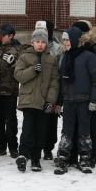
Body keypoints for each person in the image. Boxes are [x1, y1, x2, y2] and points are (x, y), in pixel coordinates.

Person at [55, 26, 96, 175]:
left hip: (84, 101)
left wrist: (94, 100)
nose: (65, 42)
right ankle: (63, 157)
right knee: (67, 131)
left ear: (76, 40)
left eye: (67, 39)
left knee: (84, 131)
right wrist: (59, 102)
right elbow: (61, 82)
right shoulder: (66, 57)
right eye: (64, 40)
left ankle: (85, 158)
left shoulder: (89, 57)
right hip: (69, 101)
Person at [14, 28, 60, 172]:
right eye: (37, 42)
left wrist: (50, 101)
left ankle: (35, 158)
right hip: (28, 101)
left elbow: (54, 82)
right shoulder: (24, 57)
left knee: (41, 131)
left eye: (43, 42)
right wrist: (33, 70)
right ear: (32, 42)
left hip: (43, 102)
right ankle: (23, 154)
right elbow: (18, 75)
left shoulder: (51, 60)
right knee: (27, 129)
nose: (40, 45)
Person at [69, 20, 96, 168]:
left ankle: (95, 153)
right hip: (95, 90)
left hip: (95, 91)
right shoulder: (93, 43)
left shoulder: (92, 45)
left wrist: (95, 88)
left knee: (94, 123)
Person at [0, 24, 20, 158]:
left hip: (10, 91)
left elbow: (23, 68)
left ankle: (13, 147)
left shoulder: (18, 50)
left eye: (3, 35)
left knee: (11, 120)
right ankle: (0, 147)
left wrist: (15, 64)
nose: (0, 37)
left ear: (11, 36)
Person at [34, 20, 63, 161]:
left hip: (51, 90)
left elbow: (59, 72)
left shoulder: (57, 49)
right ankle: (35, 147)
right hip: (36, 91)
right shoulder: (33, 47)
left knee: (50, 122)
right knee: (36, 122)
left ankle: (48, 148)